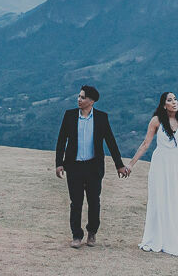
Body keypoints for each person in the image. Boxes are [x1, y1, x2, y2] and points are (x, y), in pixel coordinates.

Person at [55, 84, 128, 248]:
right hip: (74, 166)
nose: (79, 100)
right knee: (76, 202)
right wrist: (59, 163)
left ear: (92, 101)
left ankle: (92, 232)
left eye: (82, 97)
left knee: (94, 201)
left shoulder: (101, 118)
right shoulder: (70, 116)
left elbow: (111, 142)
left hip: (93, 167)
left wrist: (119, 165)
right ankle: (76, 235)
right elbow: (61, 141)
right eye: (79, 96)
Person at [127, 91, 178, 255]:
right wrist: (131, 164)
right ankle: (157, 238)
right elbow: (145, 144)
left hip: (177, 164)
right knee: (159, 198)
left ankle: (175, 239)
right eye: (170, 100)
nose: (174, 102)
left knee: (176, 199)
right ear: (164, 105)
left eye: (176, 99)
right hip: (160, 163)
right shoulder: (156, 121)